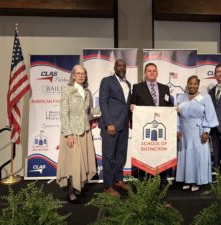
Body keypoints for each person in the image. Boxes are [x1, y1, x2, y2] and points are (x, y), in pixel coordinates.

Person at [57, 65, 96, 203]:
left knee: (82, 161)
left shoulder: (87, 92)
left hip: (84, 132)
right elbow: (63, 113)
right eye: (78, 73)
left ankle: (79, 186)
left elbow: (90, 112)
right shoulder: (67, 90)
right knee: (73, 162)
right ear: (73, 75)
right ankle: (71, 190)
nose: (81, 75)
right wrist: (68, 134)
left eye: (83, 73)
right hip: (72, 132)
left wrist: (105, 110)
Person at [130, 62, 173, 184]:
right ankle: (144, 180)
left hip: (161, 128)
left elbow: (168, 106)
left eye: (154, 71)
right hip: (145, 129)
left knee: (161, 153)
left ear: (157, 73)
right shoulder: (137, 87)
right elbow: (132, 105)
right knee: (146, 153)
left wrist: (173, 111)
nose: (152, 73)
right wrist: (132, 107)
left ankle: (162, 179)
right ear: (145, 73)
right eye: (149, 71)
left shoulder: (165, 88)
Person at [176, 75, 218, 191]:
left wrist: (206, 131)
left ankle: (197, 181)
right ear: (187, 84)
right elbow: (176, 115)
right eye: (190, 83)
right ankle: (187, 180)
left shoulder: (205, 97)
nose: (192, 86)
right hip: (184, 132)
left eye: (195, 84)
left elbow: (209, 115)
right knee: (185, 156)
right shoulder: (180, 97)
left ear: (198, 85)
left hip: (198, 132)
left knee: (197, 156)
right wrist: (177, 129)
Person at [99, 59, 131, 197]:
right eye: (119, 65)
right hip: (111, 125)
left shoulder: (128, 83)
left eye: (123, 66)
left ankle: (118, 180)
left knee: (121, 155)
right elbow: (103, 102)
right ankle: (108, 186)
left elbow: (126, 104)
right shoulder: (107, 81)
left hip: (124, 125)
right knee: (108, 156)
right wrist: (109, 123)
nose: (121, 67)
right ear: (114, 67)